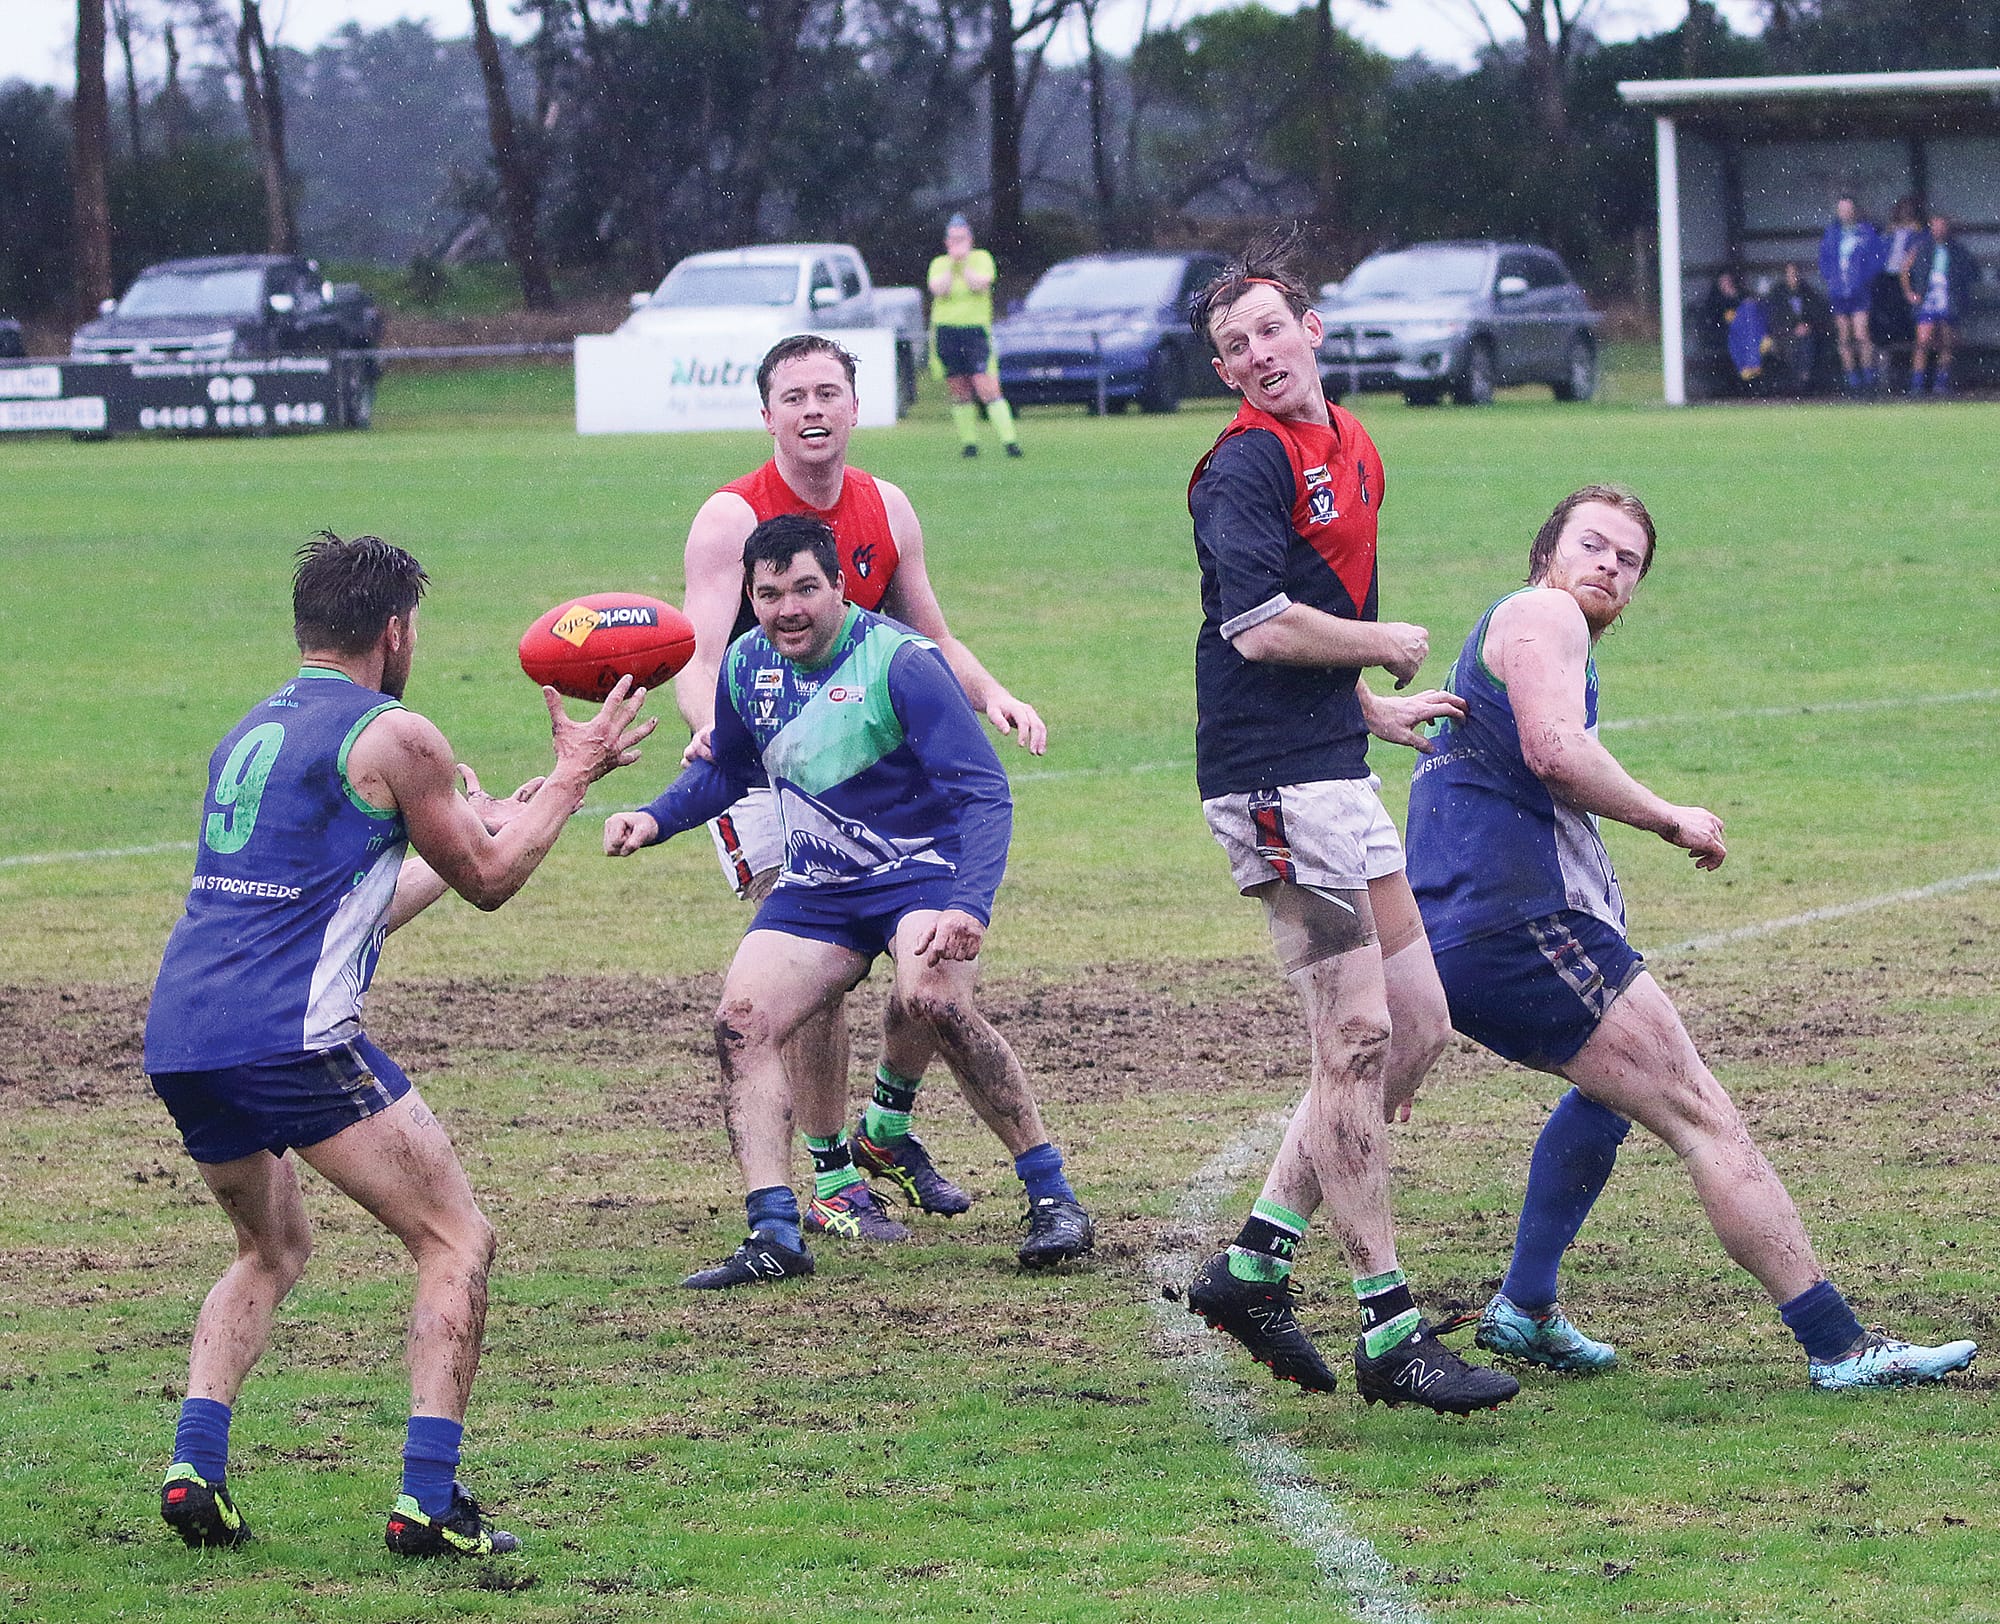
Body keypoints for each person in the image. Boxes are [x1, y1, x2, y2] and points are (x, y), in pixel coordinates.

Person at [144, 532, 656, 1555]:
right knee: (455, 1238)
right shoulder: (396, 733)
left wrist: (493, 814)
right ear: (393, 630)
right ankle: (429, 1499)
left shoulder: (254, 730)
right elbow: (490, 881)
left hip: (184, 1035)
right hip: (289, 1041)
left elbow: (354, 909)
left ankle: (193, 1471)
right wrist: (572, 776)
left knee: (271, 1247)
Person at [1403, 485, 1978, 1392]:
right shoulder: (1543, 613)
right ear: (1548, 551)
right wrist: (1669, 817)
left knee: (1607, 1098)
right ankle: (1838, 1345)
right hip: (1519, 924)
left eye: (1628, 561)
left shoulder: (1530, 631)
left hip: (1469, 928)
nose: (1609, 567)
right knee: (1703, 1116)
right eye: (1594, 545)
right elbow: (1556, 750)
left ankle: (1522, 1305)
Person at [1176, 230, 1519, 1416]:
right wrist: (1372, 646)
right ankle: (1388, 1328)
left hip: (1330, 768)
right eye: (1233, 346)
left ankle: (1253, 1265)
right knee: (1355, 1038)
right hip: (1272, 788)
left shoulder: (1354, 447)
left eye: (1270, 329)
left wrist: (1369, 702)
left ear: (1310, 331)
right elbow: (1260, 627)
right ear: (1224, 373)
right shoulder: (1242, 470)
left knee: (1416, 1023)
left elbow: (1312, 628)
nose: (1257, 353)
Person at [610, 515, 1094, 1286]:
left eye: (806, 587)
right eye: (769, 594)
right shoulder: (744, 667)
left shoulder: (902, 663)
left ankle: (1052, 1195)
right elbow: (728, 770)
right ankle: (774, 1232)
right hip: (818, 888)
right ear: (750, 596)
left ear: (839, 585)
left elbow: (984, 794)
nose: (787, 609)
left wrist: (969, 902)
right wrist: (654, 817)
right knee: (741, 1025)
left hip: (919, 875)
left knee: (934, 1000)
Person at [674, 332, 1052, 1242]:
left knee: (926, 968)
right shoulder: (731, 520)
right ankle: (836, 1178)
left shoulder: (887, 504)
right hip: (770, 771)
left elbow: (930, 632)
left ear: (853, 405)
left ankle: (884, 1128)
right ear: (766, 413)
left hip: (880, 767)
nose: (813, 410)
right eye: (794, 396)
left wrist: (994, 694)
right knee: (810, 974)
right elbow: (700, 648)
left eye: (828, 393)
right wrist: (717, 738)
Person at [928, 213, 1021, 459]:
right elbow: (939, 289)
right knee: (958, 388)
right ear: (946, 242)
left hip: (975, 331)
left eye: (962, 238)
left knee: (985, 385)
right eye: (953, 239)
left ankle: (1010, 441)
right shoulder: (939, 264)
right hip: (947, 331)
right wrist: (952, 264)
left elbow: (979, 284)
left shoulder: (981, 259)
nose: (957, 244)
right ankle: (969, 444)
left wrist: (964, 264)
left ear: (970, 240)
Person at [1903, 211, 1977, 396]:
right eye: (1935, 225)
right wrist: (1910, 293)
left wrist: (1959, 295)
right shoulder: (1921, 247)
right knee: (1923, 340)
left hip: (1948, 298)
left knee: (1947, 340)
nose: (1939, 229)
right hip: (1927, 297)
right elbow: (1905, 270)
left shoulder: (1957, 250)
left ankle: (1941, 382)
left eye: (1942, 225)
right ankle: (1917, 383)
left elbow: (1970, 274)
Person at [1818, 196, 1886, 392]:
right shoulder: (1832, 233)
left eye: (1848, 209)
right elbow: (1824, 260)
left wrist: (1864, 278)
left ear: (1855, 211)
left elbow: (1877, 258)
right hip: (1838, 292)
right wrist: (1831, 278)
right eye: (1842, 209)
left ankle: (1868, 375)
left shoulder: (1866, 232)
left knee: (1861, 334)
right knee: (1844, 336)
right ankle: (1851, 378)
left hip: (1859, 291)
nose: (1845, 212)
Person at [1871, 196, 1925, 376]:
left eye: (1909, 209)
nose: (1905, 212)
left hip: (1907, 277)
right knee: (1884, 314)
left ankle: (1905, 354)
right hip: (1888, 277)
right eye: (1902, 208)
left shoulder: (1919, 232)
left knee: (1905, 313)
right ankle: (1885, 345)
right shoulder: (1889, 231)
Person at [1774, 262, 1832, 394]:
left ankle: (1804, 381)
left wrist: (1807, 325)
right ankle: (1798, 382)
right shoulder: (1778, 294)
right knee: (1794, 346)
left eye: (1795, 273)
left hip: (1808, 333)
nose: (1793, 277)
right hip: (1784, 335)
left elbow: (1817, 313)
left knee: (1806, 343)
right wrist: (1791, 328)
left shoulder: (1808, 292)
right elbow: (1776, 317)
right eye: (1790, 274)